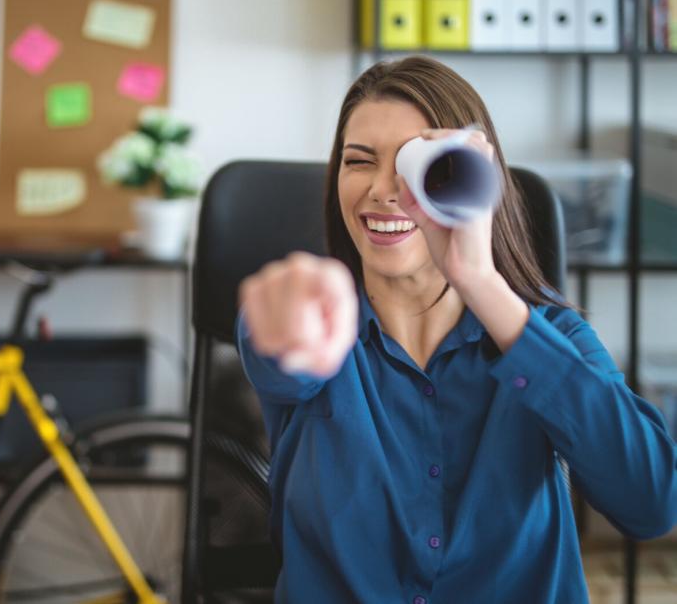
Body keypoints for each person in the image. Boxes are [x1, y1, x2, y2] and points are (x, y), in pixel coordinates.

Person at [236, 56, 677, 603]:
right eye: (358, 162)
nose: (383, 189)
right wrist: (285, 318)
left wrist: (480, 282)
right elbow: (281, 350)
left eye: (415, 165)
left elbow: (651, 502)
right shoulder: (314, 319)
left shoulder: (548, 334)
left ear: (467, 183)